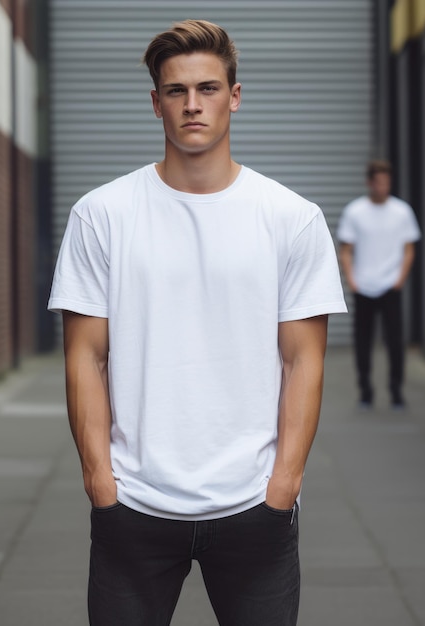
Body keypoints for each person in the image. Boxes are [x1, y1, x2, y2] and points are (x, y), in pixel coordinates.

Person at [48, 19, 346, 626]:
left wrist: (282, 486)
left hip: (253, 506)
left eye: (208, 89)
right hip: (133, 504)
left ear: (234, 96)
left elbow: (304, 358)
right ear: (155, 102)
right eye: (177, 91)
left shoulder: (291, 218)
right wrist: (101, 484)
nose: (192, 105)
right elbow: (85, 355)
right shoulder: (101, 215)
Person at [337, 159, 421, 409]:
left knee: (395, 342)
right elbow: (346, 250)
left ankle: (396, 391)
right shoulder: (355, 212)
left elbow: (409, 249)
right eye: (379, 182)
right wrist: (352, 281)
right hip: (363, 286)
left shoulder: (402, 211)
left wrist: (399, 279)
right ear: (369, 183)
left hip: (390, 287)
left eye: (387, 182)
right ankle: (365, 391)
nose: (383, 187)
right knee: (362, 342)